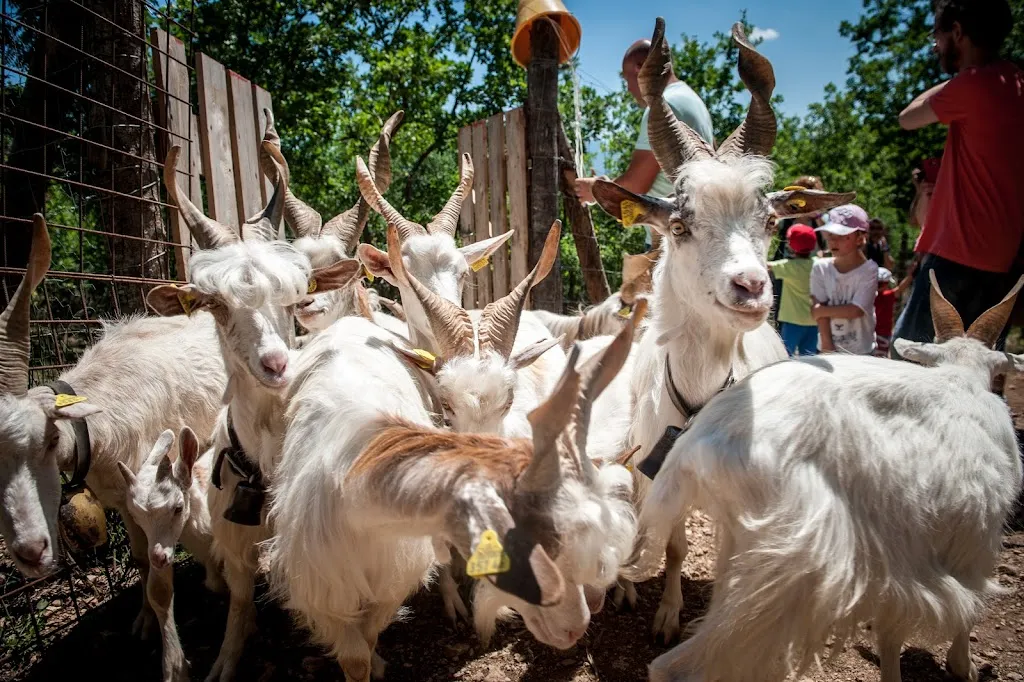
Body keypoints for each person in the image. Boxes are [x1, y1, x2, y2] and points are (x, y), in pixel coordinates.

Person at [894, 0, 1024, 356]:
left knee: (907, 359)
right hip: (1002, 260)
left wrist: (960, 76)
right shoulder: (1016, 81)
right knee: (974, 369)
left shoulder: (973, 84)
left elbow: (907, 118)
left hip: (955, 254)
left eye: (937, 35)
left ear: (957, 32)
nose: (934, 46)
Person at [574, 34, 714, 249]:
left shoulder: (663, 106)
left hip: (672, 239)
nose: (629, 88)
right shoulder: (692, 101)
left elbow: (637, 185)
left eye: (626, 78)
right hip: (697, 234)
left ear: (639, 69)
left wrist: (595, 190)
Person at [810, 205, 879, 355]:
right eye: (830, 234)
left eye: (842, 236)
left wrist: (823, 311)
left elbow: (856, 311)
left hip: (861, 352)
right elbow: (817, 313)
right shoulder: (820, 268)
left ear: (860, 239)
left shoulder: (869, 271)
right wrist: (827, 346)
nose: (833, 241)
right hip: (826, 349)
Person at [767, 224, 819, 357]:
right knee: (810, 358)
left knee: (784, 356)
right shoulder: (819, 264)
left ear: (791, 245)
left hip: (792, 322)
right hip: (814, 321)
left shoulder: (788, 266)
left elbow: (767, 266)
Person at [873, 265, 916, 358]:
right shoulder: (887, 296)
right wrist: (911, 275)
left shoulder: (868, 296)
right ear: (885, 284)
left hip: (870, 333)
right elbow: (901, 288)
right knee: (880, 359)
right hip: (884, 334)